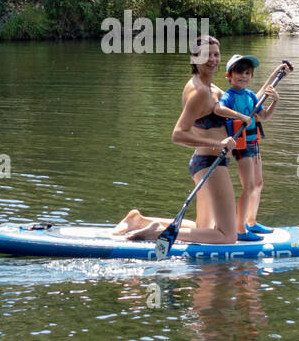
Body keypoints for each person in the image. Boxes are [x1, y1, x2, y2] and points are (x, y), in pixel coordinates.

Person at [119, 35, 248, 244]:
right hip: (211, 165)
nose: (213, 59)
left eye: (216, 54)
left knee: (203, 229)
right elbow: (178, 134)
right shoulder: (199, 92)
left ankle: (139, 221)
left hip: (204, 163)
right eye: (206, 55)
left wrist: (273, 82)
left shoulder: (211, 88)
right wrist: (218, 144)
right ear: (195, 58)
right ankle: (157, 233)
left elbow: (245, 104)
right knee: (227, 236)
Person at [219, 55, 282, 240]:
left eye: (247, 73)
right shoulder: (228, 96)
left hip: (254, 144)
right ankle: (240, 230)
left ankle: (251, 222)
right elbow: (220, 109)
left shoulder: (251, 95)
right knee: (249, 186)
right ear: (229, 76)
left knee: (259, 184)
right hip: (241, 146)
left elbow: (265, 116)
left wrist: (275, 101)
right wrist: (240, 115)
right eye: (239, 72)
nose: (243, 76)